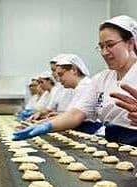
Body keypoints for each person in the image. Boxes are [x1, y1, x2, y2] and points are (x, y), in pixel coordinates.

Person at [13, 15, 137, 145]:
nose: (104, 52)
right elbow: (76, 114)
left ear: (130, 42)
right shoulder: (101, 79)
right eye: (101, 47)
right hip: (113, 144)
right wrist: (46, 125)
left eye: (110, 45)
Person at [55, 54, 102, 133]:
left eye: (61, 74)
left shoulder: (86, 86)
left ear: (74, 70)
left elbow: (73, 116)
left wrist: (43, 124)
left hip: (90, 130)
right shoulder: (78, 88)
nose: (59, 80)